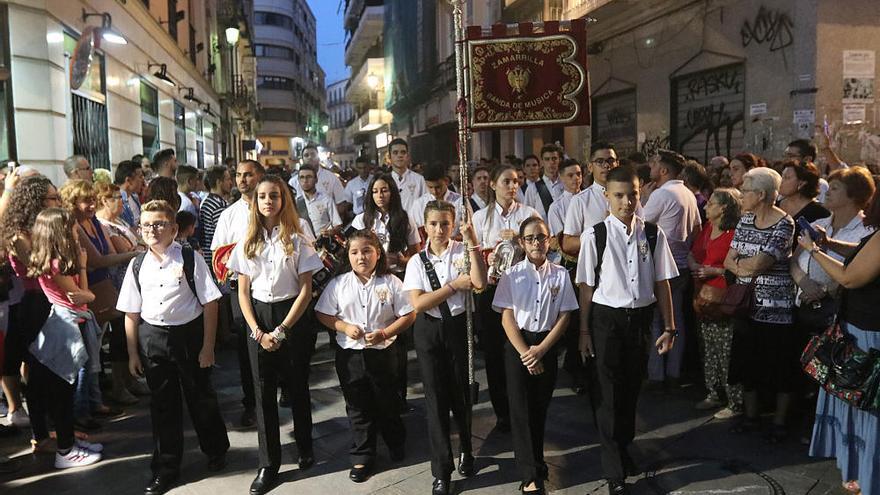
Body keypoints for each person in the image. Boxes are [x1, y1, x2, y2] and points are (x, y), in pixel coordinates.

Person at [575, 165, 678, 495]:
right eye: (618, 196)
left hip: (641, 320)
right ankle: (613, 469)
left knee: (632, 389)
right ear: (607, 197)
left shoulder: (652, 233)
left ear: (640, 193)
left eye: (632, 194)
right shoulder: (595, 235)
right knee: (608, 394)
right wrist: (584, 332)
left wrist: (670, 326)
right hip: (607, 321)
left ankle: (623, 446)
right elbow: (586, 288)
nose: (626, 202)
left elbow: (662, 281)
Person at [116, 200, 229, 494]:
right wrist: (132, 353)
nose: (152, 230)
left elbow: (210, 303)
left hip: (189, 337)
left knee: (200, 396)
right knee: (163, 406)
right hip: (153, 338)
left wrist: (208, 346)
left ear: (174, 229)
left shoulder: (189, 258)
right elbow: (131, 312)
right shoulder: (137, 264)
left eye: (159, 224)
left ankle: (215, 448)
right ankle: (166, 467)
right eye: (146, 225)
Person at [225, 175, 324, 495]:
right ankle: (269, 463)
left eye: (275, 196)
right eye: (263, 196)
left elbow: (306, 290)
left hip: (291, 317)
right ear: (255, 202)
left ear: (284, 201)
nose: (268, 201)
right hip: (258, 317)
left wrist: (282, 330)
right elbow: (242, 292)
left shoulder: (297, 238)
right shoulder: (247, 240)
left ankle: (305, 446)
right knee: (262, 392)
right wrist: (257, 331)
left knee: (297, 387)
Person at [315, 230, 416, 483]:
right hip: (350, 355)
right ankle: (363, 453)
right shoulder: (339, 284)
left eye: (367, 251)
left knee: (387, 401)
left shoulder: (391, 282)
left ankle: (395, 440)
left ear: (378, 252)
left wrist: (385, 333)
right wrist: (344, 327)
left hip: (383, 353)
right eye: (355, 252)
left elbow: (408, 314)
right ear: (348, 255)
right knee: (357, 404)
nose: (361, 257)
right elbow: (323, 314)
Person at [403, 200, 487, 495]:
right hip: (428, 330)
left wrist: (473, 242)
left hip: (458, 328)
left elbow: (479, 282)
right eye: (434, 224)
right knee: (435, 400)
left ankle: (466, 447)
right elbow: (418, 302)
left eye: (445, 224)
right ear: (424, 227)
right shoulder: (416, 261)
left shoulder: (463, 252)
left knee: (461, 394)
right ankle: (441, 470)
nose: (439, 230)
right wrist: (453, 286)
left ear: (453, 225)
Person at [800, 188, 880, 495]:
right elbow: (863, 255)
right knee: (859, 405)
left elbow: (849, 277)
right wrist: (830, 243)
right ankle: (863, 474)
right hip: (862, 328)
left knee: (866, 407)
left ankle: (869, 478)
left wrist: (814, 250)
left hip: (869, 335)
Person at [789, 167, 875, 443]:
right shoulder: (821, 224)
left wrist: (824, 286)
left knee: (835, 376)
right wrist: (803, 281)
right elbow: (794, 259)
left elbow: (852, 274)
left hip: (836, 312)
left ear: (854, 196)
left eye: (835, 188)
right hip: (804, 305)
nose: (828, 192)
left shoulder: (867, 230)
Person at [493, 217, 578, 494]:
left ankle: (537, 460)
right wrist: (526, 353)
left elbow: (565, 315)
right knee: (520, 410)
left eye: (541, 237)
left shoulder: (560, 274)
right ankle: (529, 475)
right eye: (530, 238)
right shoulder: (512, 274)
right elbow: (507, 317)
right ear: (521, 242)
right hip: (519, 344)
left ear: (549, 239)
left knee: (539, 408)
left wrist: (542, 350)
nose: (536, 243)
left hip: (547, 344)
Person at [723, 167, 796, 443]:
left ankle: (778, 421)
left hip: (777, 308)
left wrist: (744, 265)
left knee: (779, 366)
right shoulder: (745, 220)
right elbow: (729, 260)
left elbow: (758, 264)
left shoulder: (784, 224)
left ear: (762, 194)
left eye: (746, 191)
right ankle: (751, 417)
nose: (741, 195)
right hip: (747, 306)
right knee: (747, 363)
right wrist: (746, 266)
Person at [26, 208, 103, 468]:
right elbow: (81, 295)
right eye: (71, 227)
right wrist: (82, 266)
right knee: (62, 391)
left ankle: (68, 444)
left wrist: (86, 292)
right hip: (64, 327)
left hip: (70, 323)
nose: (75, 230)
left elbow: (84, 294)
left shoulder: (56, 260)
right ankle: (66, 450)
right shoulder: (54, 264)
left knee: (64, 391)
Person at [60, 180, 135, 427]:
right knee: (88, 352)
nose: (93, 205)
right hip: (86, 290)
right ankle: (88, 406)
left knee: (98, 344)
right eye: (86, 201)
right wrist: (135, 254)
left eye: (94, 200)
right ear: (72, 203)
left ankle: (97, 399)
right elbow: (98, 259)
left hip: (101, 287)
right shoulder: (73, 225)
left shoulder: (93, 222)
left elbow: (102, 258)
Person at [472, 164, 541, 431]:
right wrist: (485, 260)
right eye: (506, 181)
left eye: (515, 181)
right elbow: (471, 255)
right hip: (491, 290)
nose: (512, 186)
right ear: (493, 184)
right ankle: (502, 411)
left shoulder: (528, 213)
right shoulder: (481, 218)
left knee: (521, 344)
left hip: (521, 288)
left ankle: (522, 404)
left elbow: (542, 246)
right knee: (493, 351)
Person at [0, 175, 59, 430]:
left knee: (54, 370)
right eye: (52, 198)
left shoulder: (42, 227)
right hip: (35, 303)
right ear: (35, 200)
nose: (58, 202)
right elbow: (38, 266)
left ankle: (57, 427)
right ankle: (43, 435)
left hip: (50, 300)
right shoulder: (18, 233)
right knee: (38, 371)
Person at [641, 150, 701, 388]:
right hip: (682, 265)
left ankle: (656, 375)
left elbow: (640, 226)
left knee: (658, 320)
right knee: (676, 320)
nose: (650, 166)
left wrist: (644, 200)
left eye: (654, 163)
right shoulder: (687, 193)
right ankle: (674, 372)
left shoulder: (661, 194)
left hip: (661, 267)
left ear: (664, 170)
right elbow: (696, 228)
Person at [211, 160, 264, 427]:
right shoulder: (228, 215)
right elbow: (218, 255)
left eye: (249, 175)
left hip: (274, 289)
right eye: (239, 175)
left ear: (260, 176)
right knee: (247, 347)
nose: (243, 180)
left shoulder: (274, 207)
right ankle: (251, 403)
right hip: (241, 290)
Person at [687, 188, 743, 419]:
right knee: (707, 346)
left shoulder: (734, 234)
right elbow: (694, 253)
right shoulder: (708, 228)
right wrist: (694, 265)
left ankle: (735, 400)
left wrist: (712, 270)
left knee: (725, 349)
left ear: (723, 208)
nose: (705, 206)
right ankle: (713, 391)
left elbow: (737, 268)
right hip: (702, 295)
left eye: (710, 203)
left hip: (722, 298)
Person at [563, 142, 637, 257]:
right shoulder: (580, 201)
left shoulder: (631, 196)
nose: (606, 165)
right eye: (600, 161)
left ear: (617, 163)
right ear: (590, 167)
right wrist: (598, 236)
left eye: (610, 161)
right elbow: (567, 243)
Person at [778, 160, 830, 239]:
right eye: (782, 176)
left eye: (787, 178)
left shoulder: (819, 213)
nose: (781, 181)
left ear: (802, 183)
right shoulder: (774, 205)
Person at [288, 144, 346, 212]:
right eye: (306, 155)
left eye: (313, 155)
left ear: (318, 158)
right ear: (302, 160)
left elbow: (341, 203)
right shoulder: (293, 182)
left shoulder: (332, 178)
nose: (310, 157)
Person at [411, 162, 464, 236]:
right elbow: (414, 234)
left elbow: (469, 231)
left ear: (446, 181)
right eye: (430, 187)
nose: (434, 191)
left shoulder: (460, 201)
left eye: (438, 187)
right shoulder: (419, 204)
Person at [199, 166, 233, 268]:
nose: (231, 183)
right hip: (219, 260)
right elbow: (225, 236)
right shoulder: (217, 205)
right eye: (228, 179)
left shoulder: (209, 201)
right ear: (219, 182)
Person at [296, 163, 343, 236]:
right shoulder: (296, 203)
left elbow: (338, 225)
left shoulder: (326, 200)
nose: (305, 180)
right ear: (298, 180)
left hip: (322, 244)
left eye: (309, 177)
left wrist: (330, 232)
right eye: (302, 177)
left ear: (316, 180)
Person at [524, 144, 565, 220]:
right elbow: (527, 215)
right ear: (542, 162)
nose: (551, 162)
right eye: (547, 159)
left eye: (554, 158)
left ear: (559, 160)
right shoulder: (533, 188)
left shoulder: (566, 184)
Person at [388, 138, 427, 211]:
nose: (400, 155)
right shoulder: (385, 180)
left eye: (403, 152)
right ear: (389, 157)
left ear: (408, 156)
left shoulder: (419, 180)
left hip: (413, 222)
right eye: (395, 152)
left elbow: (425, 204)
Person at [114, 160, 145, 228]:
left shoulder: (135, 198)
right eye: (140, 177)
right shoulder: (115, 202)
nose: (143, 180)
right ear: (128, 180)